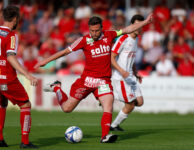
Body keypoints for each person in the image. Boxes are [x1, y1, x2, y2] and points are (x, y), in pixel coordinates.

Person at [34, 14, 153, 143]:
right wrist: (45, 61)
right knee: (67, 109)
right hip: (86, 81)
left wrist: (146, 22)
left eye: (97, 30)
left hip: (103, 81)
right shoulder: (84, 40)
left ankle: (105, 136)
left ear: (102, 28)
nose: (94, 33)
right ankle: (57, 88)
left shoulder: (109, 35)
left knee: (108, 104)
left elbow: (128, 29)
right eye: (92, 31)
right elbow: (64, 52)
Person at [0, 6, 38, 148]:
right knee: (26, 105)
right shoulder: (12, 35)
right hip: (6, 78)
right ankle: (25, 142)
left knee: (2, 103)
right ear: (15, 19)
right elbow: (10, 57)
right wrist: (28, 75)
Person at [110, 14, 145, 131]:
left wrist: (136, 73)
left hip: (130, 76)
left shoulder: (137, 40)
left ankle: (114, 95)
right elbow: (111, 57)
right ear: (131, 26)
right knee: (130, 105)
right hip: (121, 77)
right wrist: (122, 71)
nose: (139, 28)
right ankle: (114, 125)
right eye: (136, 25)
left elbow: (132, 59)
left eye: (141, 25)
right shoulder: (123, 39)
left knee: (139, 102)